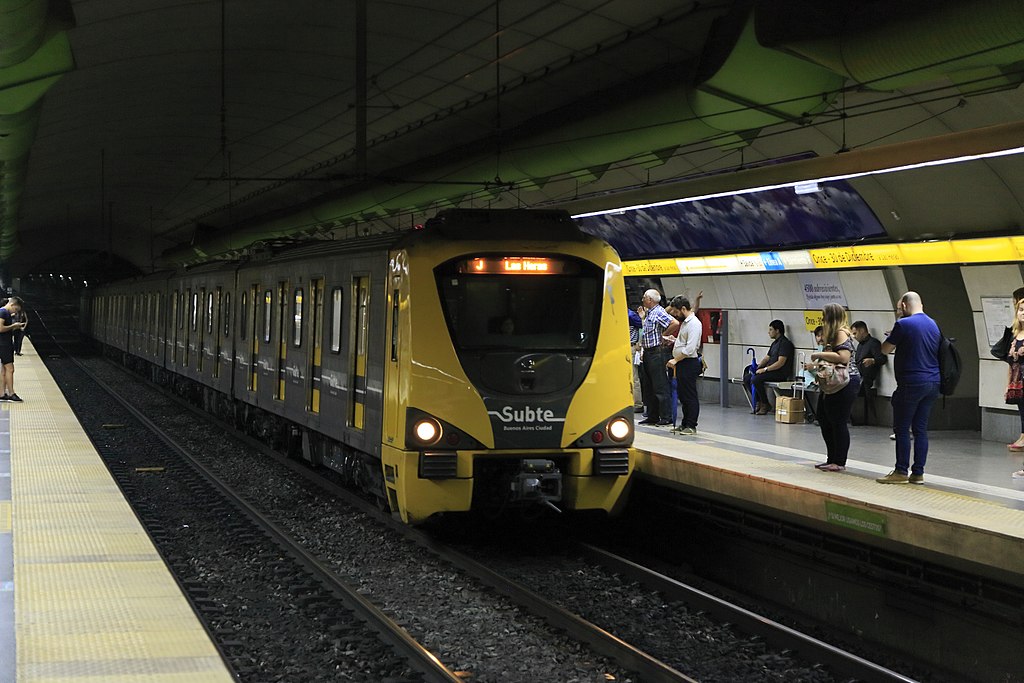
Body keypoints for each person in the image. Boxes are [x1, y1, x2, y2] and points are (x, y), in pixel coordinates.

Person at [876, 292, 940, 485]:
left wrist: (894, 333)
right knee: (920, 429)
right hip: (933, 382)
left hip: (911, 382)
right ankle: (918, 473)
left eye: (898, 309)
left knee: (902, 428)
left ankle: (901, 471)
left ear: (904, 305)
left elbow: (885, 349)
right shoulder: (933, 324)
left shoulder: (903, 324)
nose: (898, 312)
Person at [806, 305, 861, 472]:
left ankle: (839, 461)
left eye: (824, 316)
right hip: (835, 382)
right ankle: (831, 458)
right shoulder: (833, 334)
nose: (822, 319)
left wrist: (819, 355)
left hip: (845, 381)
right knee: (823, 417)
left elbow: (843, 357)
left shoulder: (840, 333)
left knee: (838, 421)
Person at [636, 289, 678, 426]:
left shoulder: (659, 311)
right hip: (648, 352)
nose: (642, 300)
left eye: (644, 298)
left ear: (650, 300)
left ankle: (666, 416)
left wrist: (663, 335)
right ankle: (652, 415)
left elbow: (674, 323)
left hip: (657, 353)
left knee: (660, 385)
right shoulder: (649, 313)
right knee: (649, 386)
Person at [666, 297, 702, 435]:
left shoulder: (694, 324)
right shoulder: (685, 323)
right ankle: (685, 423)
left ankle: (691, 425)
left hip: (688, 363)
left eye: (676, 311)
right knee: (683, 395)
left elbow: (691, 348)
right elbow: (684, 343)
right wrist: (675, 341)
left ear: (683, 309)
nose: (674, 314)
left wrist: (675, 359)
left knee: (690, 395)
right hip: (682, 362)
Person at [743, 320, 794, 415]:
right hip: (771, 371)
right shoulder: (774, 344)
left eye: (771, 330)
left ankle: (765, 404)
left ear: (777, 330)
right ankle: (758, 401)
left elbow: (780, 363)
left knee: (756, 379)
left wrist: (765, 369)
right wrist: (758, 367)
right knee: (747, 378)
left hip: (779, 372)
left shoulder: (785, 344)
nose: (769, 332)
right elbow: (767, 358)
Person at [851, 320, 887, 424]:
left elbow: (882, 359)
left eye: (855, 333)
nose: (854, 336)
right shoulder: (860, 345)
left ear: (862, 331)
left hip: (866, 378)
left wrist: (873, 360)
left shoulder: (873, 343)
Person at [1006, 298, 1024, 476]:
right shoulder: (1015, 335)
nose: (1023, 313)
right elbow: (1009, 363)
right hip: (1017, 384)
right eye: (1020, 310)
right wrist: (1008, 384)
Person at [0, 296, 26, 402]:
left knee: (4, 370)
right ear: (12, 304)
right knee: (10, 369)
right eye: (16, 309)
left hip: (4, 344)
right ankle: (11, 393)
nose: (15, 311)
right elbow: (0, 328)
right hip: (4, 345)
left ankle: (1, 393)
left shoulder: (4, 312)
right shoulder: (3, 312)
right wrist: (13, 326)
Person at [800, 326, 824, 424]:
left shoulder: (829, 348)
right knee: (802, 372)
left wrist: (813, 367)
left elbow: (827, 365)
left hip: (828, 375)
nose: (820, 338)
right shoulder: (819, 348)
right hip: (819, 374)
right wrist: (809, 367)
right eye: (818, 336)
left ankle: (814, 382)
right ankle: (813, 382)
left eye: (822, 335)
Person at [628, 307, 644, 412]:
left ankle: (637, 403)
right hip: (627, 347)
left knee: (634, 377)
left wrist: (640, 343)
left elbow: (643, 327)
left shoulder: (631, 315)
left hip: (630, 347)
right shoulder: (630, 315)